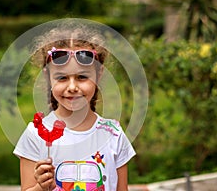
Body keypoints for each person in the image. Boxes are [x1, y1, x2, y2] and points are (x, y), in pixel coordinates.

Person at [13, 20, 136, 191]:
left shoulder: (113, 134)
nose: (72, 87)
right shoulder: (35, 135)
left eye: (82, 77)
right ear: (48, 77)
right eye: (62, 78)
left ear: (99, 75)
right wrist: (41, 187)